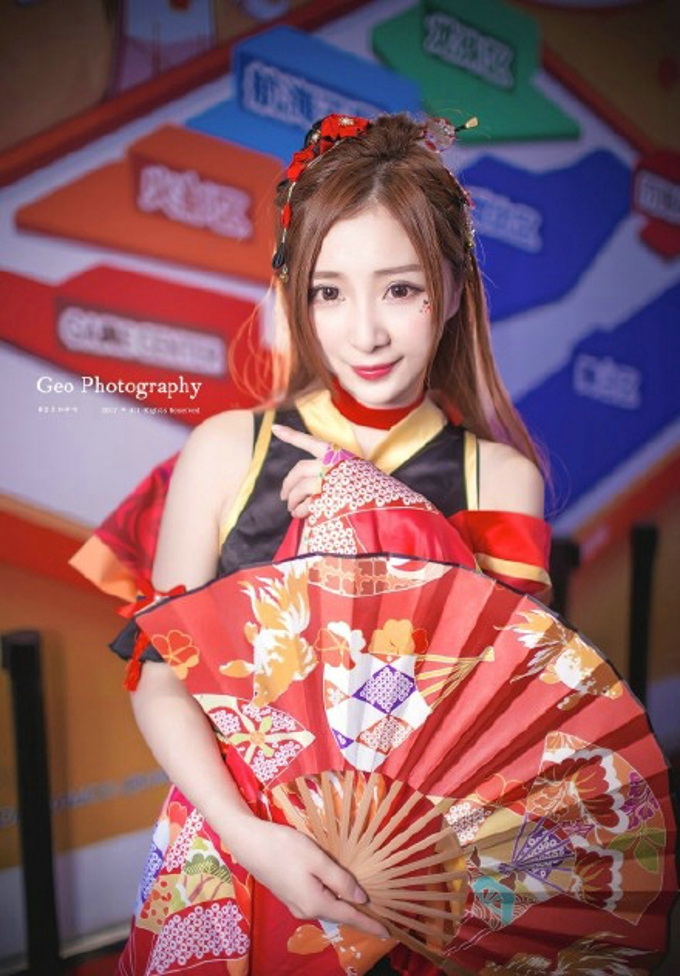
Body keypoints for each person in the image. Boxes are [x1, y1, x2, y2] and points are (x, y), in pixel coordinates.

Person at [71, 112, 553, 974]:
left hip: (423, 870)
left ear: (453, 289)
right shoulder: (230, 450)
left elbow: (501, 717)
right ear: (294, 293)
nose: (365, 332)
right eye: (329, 292)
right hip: (237, 850)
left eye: (400, 289)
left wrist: (381, 508)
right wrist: (249, 836)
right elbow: (161, 676)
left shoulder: (499, 479)